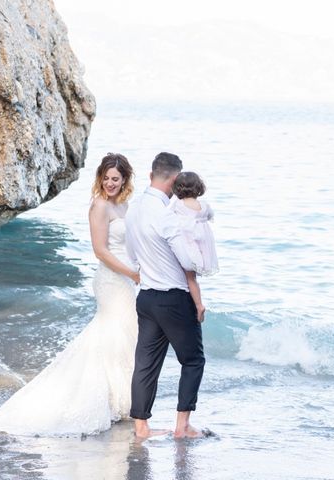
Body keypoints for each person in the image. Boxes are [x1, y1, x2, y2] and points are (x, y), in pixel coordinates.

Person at [0, 153, 140, 436]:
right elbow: (100, 251)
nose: (109, 183)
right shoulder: (99, 206)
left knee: (125, 335)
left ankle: (122, 399)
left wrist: (141, 266)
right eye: (105, 178)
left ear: (125, 179)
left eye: (115, 179)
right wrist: (132, 273)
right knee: (112, 332)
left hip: (127, 279)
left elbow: (132, 243)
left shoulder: (126, 206)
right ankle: (111, 401)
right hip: (111, 279)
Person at [125, 152, 206, 439]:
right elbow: (188, 261)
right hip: (173, 298)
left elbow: (132, 255)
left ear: (151, 175)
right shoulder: (169, 214)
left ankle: (141, 427)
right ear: (174, 180)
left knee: (145, 364)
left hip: (146, 298)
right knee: (193, 360)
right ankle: (182, 426)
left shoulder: (133, 209)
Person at [168, 171, 219, 323]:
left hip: (188, 244)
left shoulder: (178, 205)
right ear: (198, 188)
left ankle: (198, 305)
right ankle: (196, 302)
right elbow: (210, 216)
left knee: (188, 278)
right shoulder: (203, 205)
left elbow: (166, 218)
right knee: (193, 278)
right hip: (202, 246)